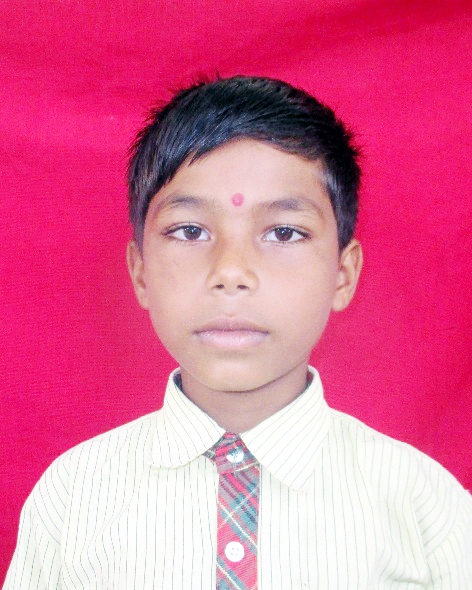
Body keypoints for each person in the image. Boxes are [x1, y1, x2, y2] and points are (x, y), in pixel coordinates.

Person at [4, 76, 471, 590]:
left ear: (343, 274)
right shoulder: (73, 497)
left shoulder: (425, 509)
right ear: (140, 273)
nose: (230, 271)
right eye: (190, 231)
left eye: (284, 232)